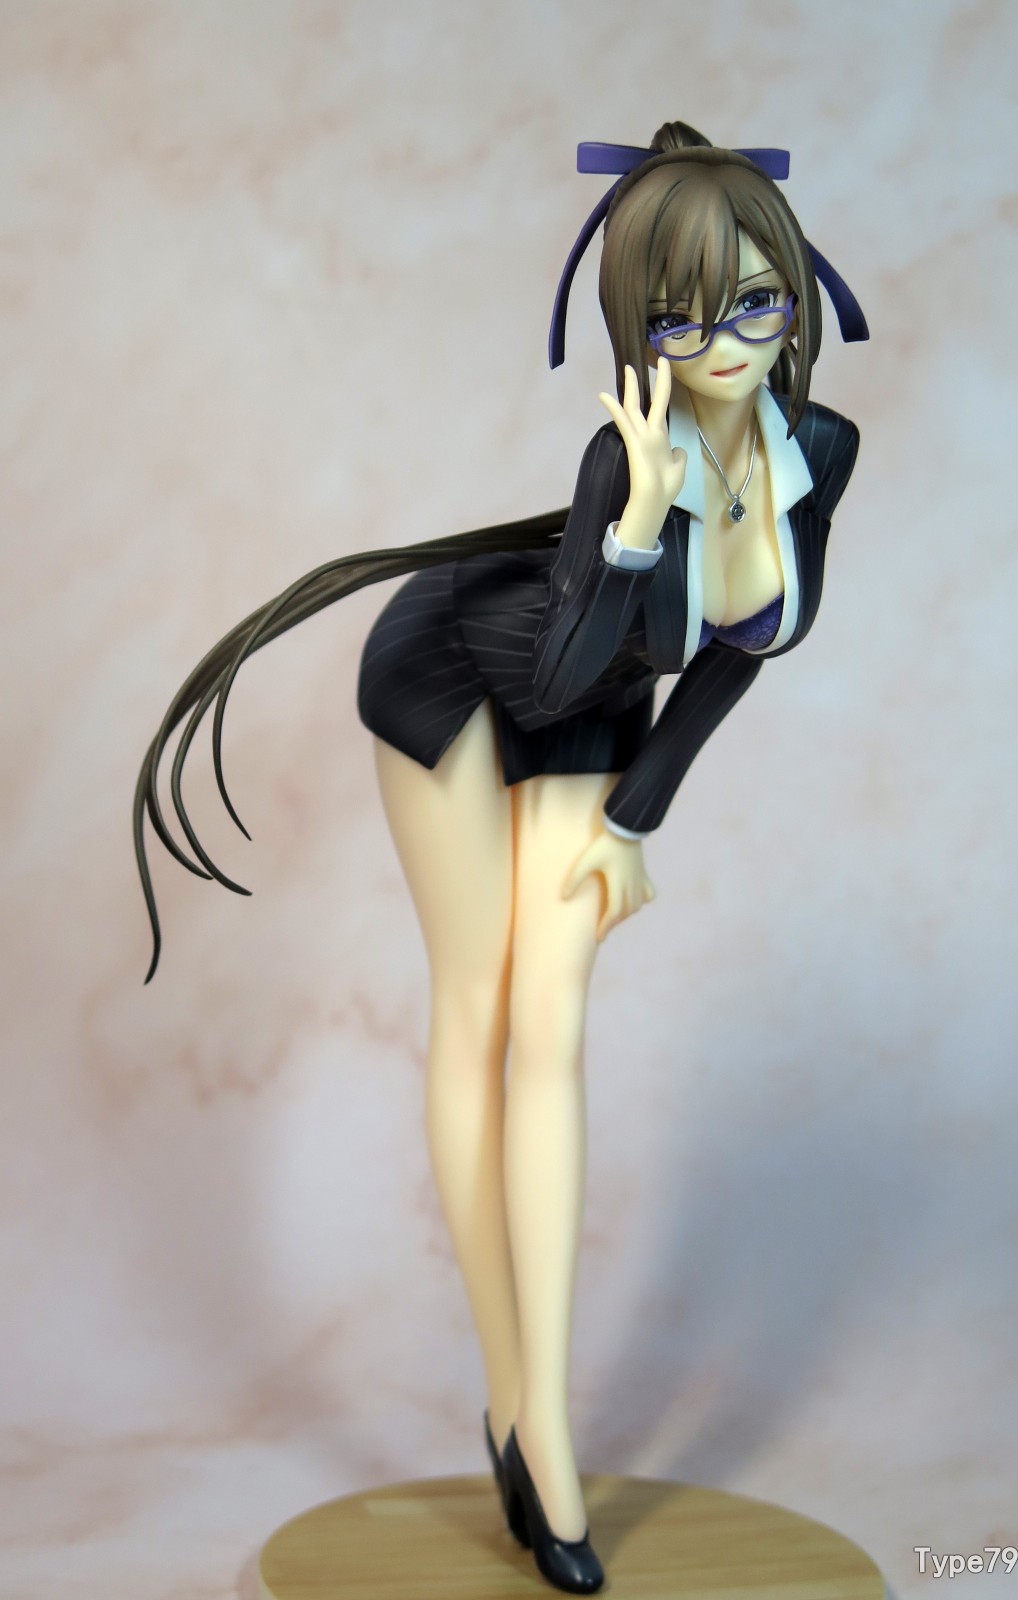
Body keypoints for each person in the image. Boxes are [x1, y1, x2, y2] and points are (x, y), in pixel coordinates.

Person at [134, 119, 866, 1595]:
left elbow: (740, 653)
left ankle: (535, 1419)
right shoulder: (619, 461)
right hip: (467, 671)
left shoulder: (823, 449)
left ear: (795, 293)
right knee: (481, 1013)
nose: (723, 342)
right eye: (680, 316)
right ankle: (531, 1419)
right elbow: (559, 670)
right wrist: (641, 519)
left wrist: (637, 820)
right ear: (636, 327)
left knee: (557, 1032)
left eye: (752, 303)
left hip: (593, 714)